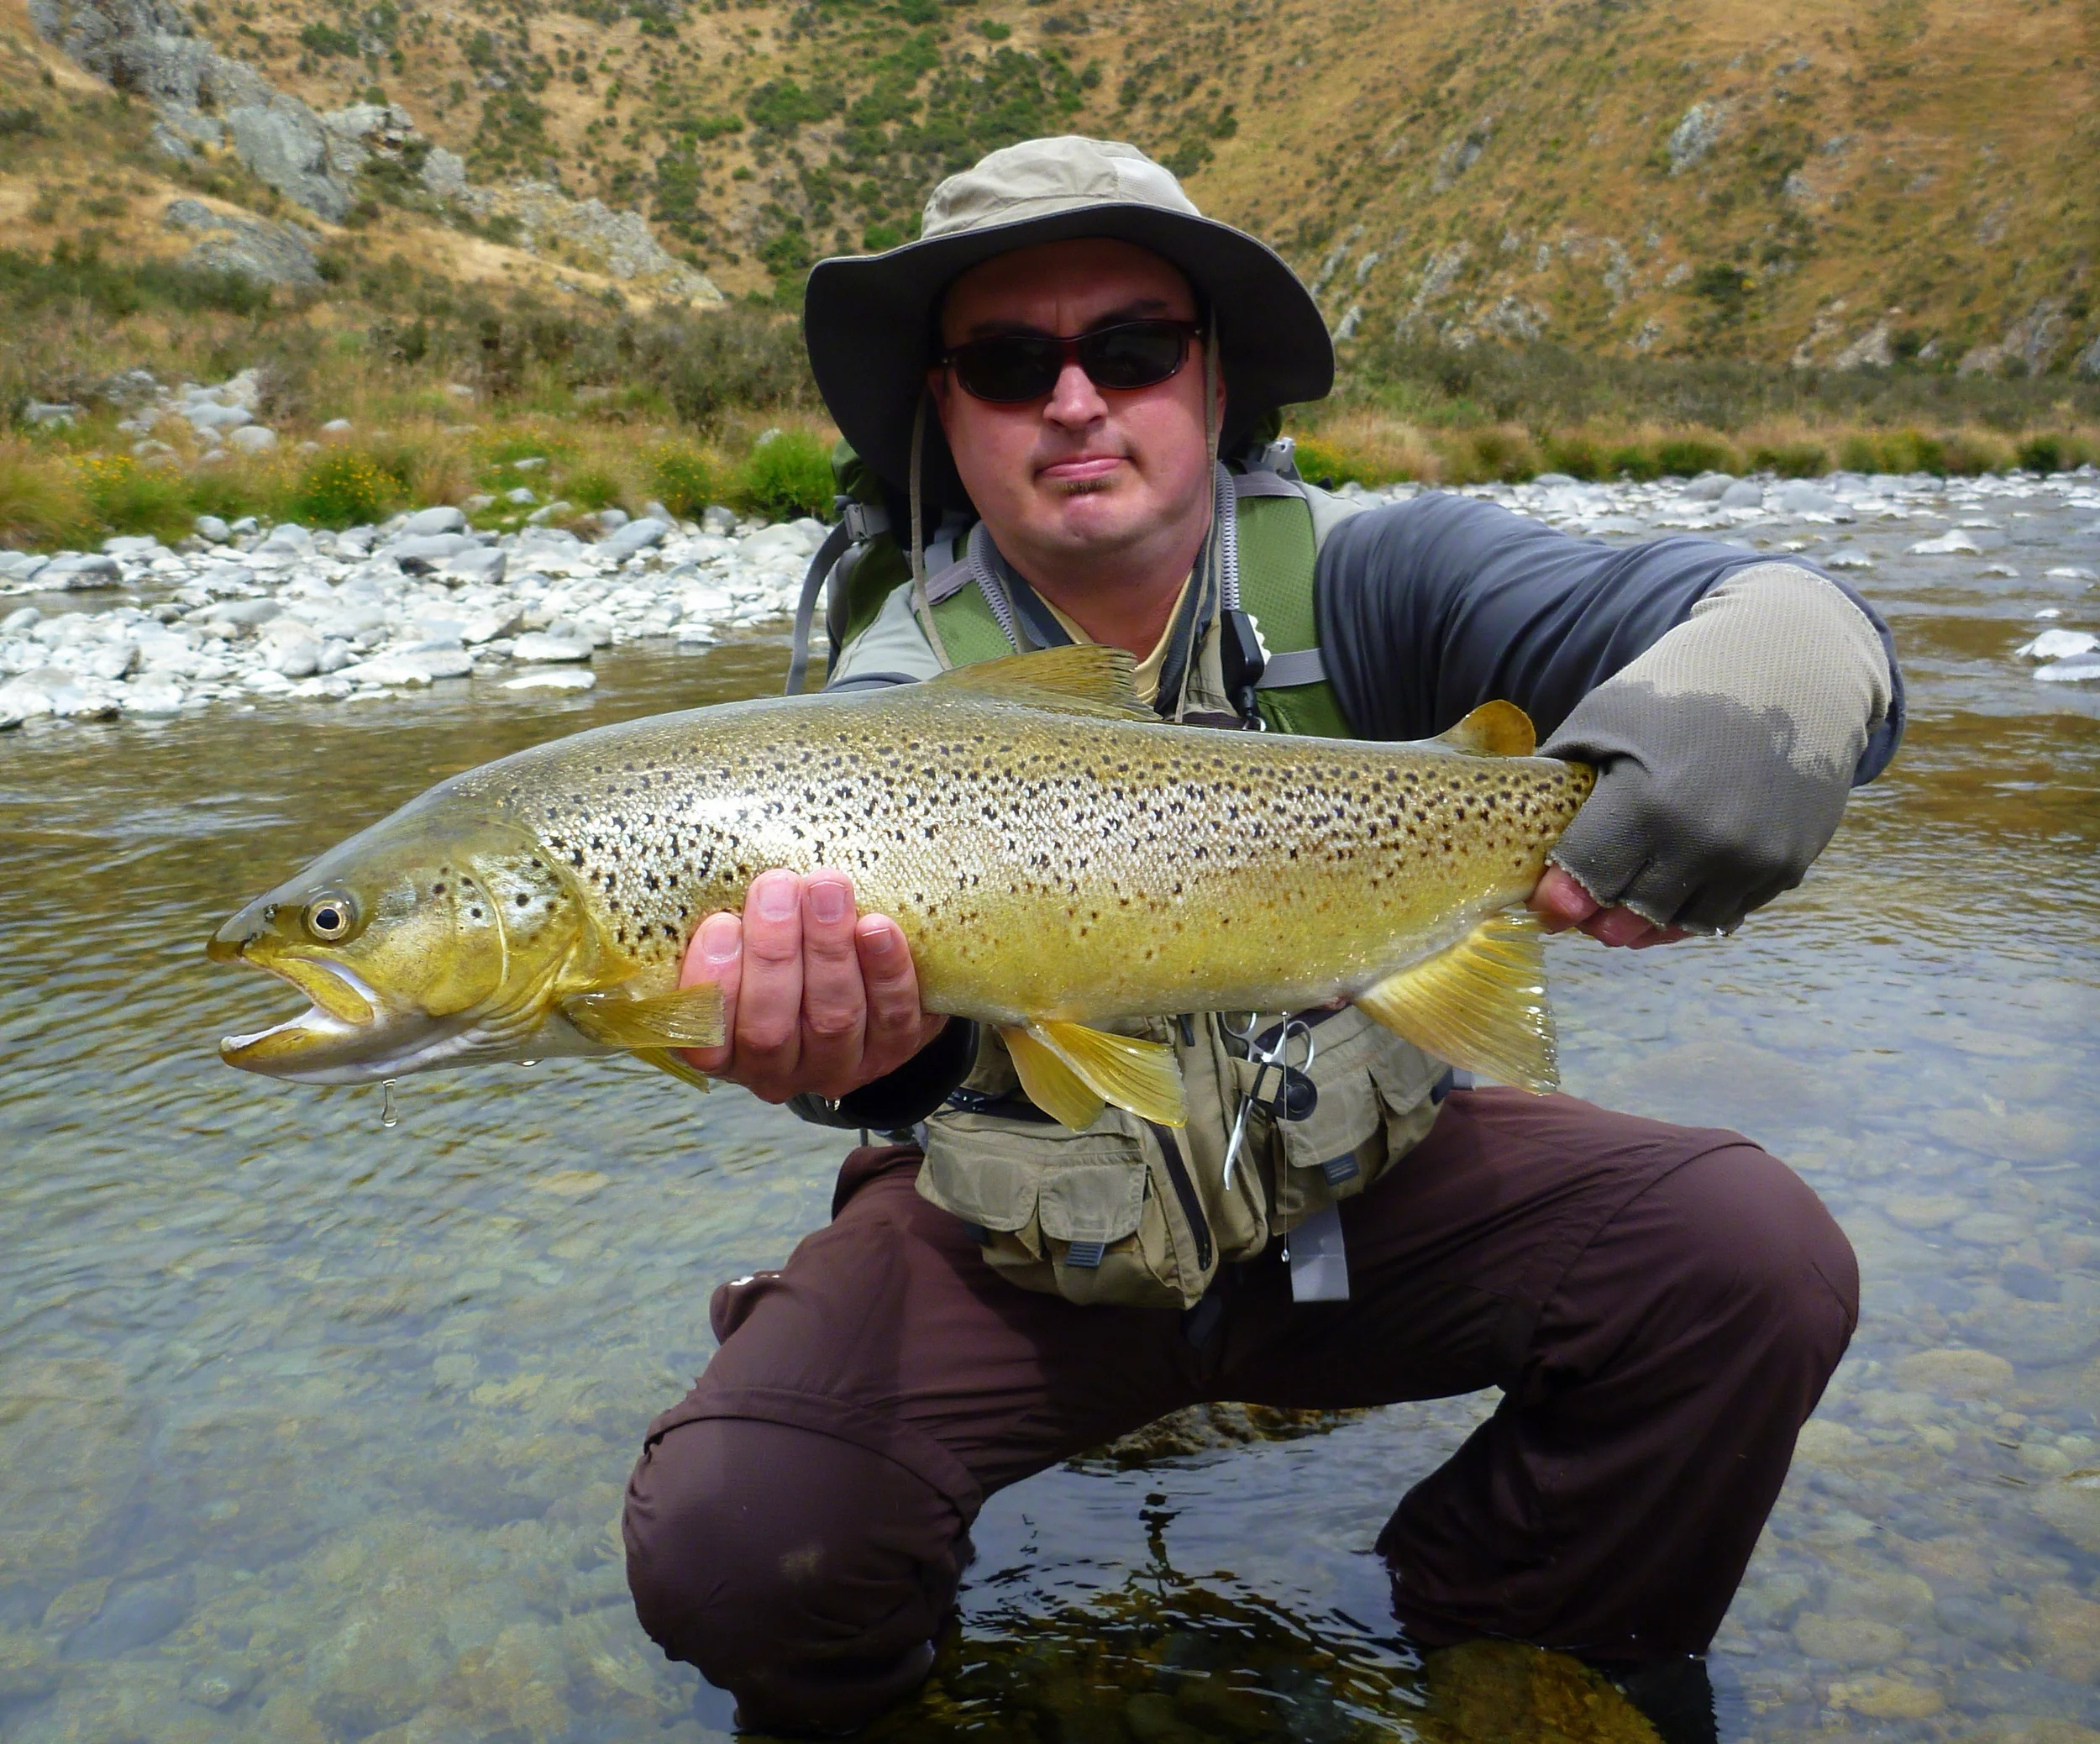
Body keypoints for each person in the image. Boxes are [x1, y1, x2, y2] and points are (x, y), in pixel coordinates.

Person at [622, 137, 1896, 1738]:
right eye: (1011, 364)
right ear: (943, 414)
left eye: (1133, 349)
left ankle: (1513, 1640)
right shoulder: (881, 708)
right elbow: (889, 1056)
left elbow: (1757, 601)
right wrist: (867, 1064)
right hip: (1026, 1253)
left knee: (1749, 1262)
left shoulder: (1380, 581)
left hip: (1364, 1203)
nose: (1077, 402)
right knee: (743, 1537)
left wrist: (1789, 675)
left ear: (1214, 381)